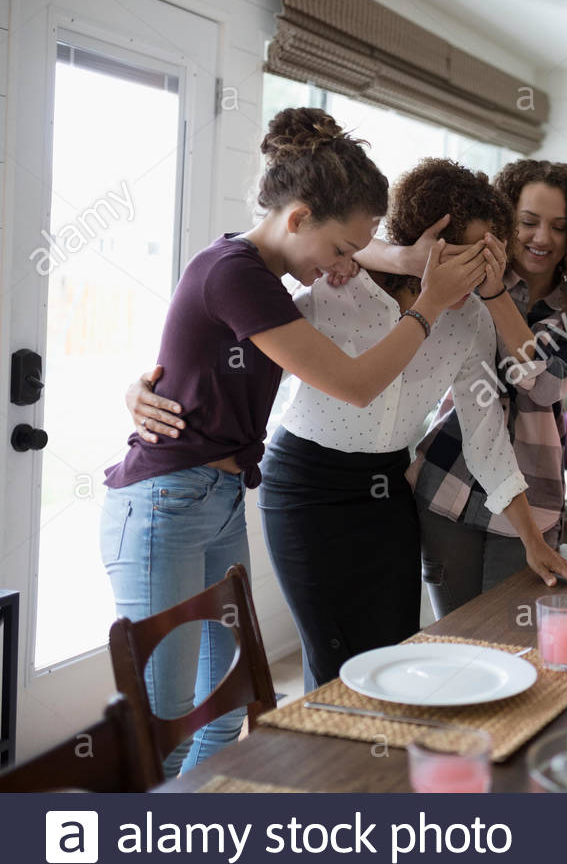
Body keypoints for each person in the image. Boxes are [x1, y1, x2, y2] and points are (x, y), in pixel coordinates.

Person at [102, 108, 484, 777]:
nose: (344, 268)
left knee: (226, 708)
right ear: (300, 217)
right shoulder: (235, 271)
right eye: (340, 251)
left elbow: (195, 358)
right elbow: (355, 383)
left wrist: (387, 257)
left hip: (215, 496)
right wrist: (428, 303)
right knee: (163, 720)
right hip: (167, 499)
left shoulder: (262, 274)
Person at [356, 160, 567, 617]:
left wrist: (497, 295)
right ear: (504, 221)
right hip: (448, 480)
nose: (542, 238)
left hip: (532, 499)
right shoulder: (464, 275)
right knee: (456, 633)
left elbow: (546, 387)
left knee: (512, 639)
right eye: (528, 222)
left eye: (560, 227)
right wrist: (402, 259)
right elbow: (358, 249)